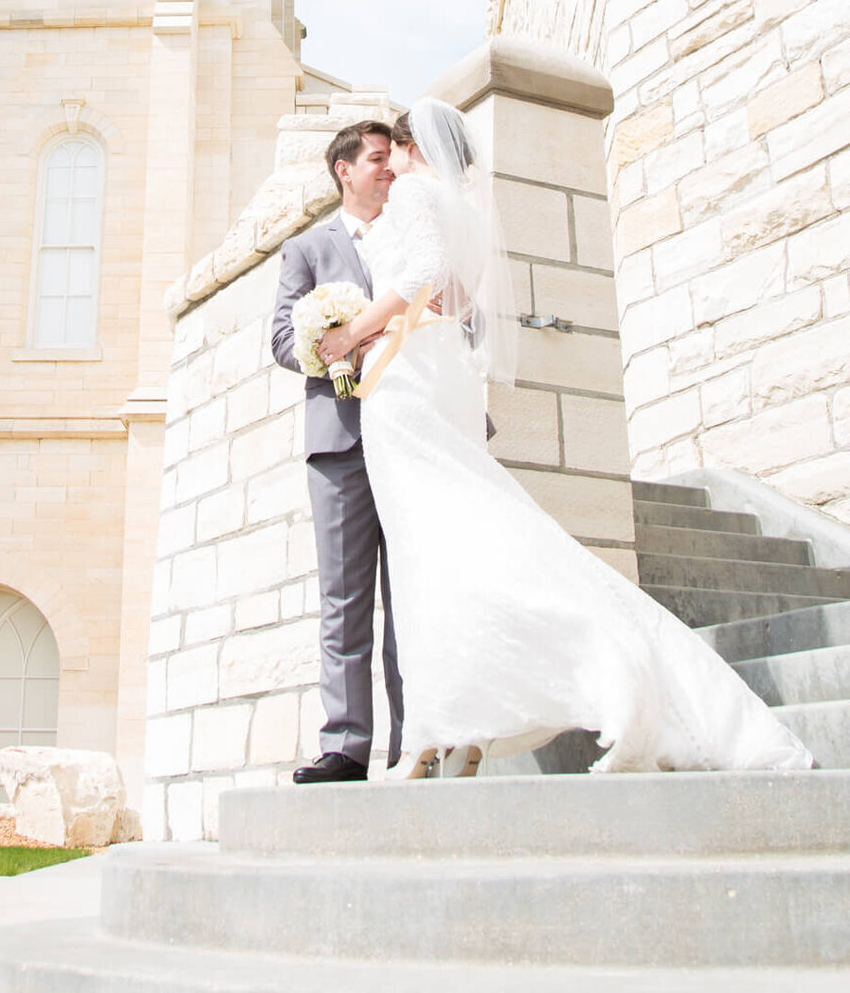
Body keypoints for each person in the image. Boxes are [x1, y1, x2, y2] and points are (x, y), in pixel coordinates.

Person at [316, 97, 813, 780]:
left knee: (428, 553)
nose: (389, 169)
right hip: (447, 379)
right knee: (449, 548)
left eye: (391, 154)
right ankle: (449, 739)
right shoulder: (467, 210)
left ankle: (458, 729)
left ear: (409, 148)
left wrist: (351, 334)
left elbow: (419, 276)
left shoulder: (412, 197)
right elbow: (459, 300)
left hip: (405, 386)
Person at [271, 119, 403, 783]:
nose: (388, 169)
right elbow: (279, 339)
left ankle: (418, 745)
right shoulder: (306, 249)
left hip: (413, 434)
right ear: (344, 170)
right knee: (345, 598)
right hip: (341, 441)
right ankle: (347, 746)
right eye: (377, 159)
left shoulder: (412, 235)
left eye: (391, 159)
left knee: (411, 593)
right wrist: (336, 346)